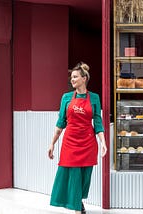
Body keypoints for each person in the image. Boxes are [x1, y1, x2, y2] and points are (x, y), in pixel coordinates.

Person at [48, 62, 107, 214]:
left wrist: (103, 142)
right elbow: (61, 122)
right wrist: (52, 144)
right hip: (70, 142)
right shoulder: (66, 97)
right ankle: (77, 209)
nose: (72, 80)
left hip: (88, 142)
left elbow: (98, 122)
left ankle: (78, 200)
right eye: (71, 77)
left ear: (84, 78)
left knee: (84, 176)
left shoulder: (94, 98)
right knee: (73, 175)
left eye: (75, 77)